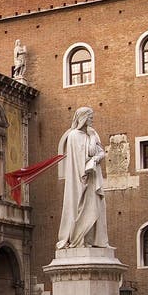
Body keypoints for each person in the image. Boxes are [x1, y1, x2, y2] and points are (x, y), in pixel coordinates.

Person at [56, 107, 109, 250]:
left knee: (97, 207)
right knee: (84, 208)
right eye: (90, 117)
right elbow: (88, 154)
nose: (92, 120)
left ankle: (93, 240)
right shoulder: (74, 135)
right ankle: (80, 239)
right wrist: (92, 139)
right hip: (82, 180)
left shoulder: (91, 134)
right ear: (83, 118)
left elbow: (99, 152)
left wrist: (96, 152)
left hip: (93, 178)